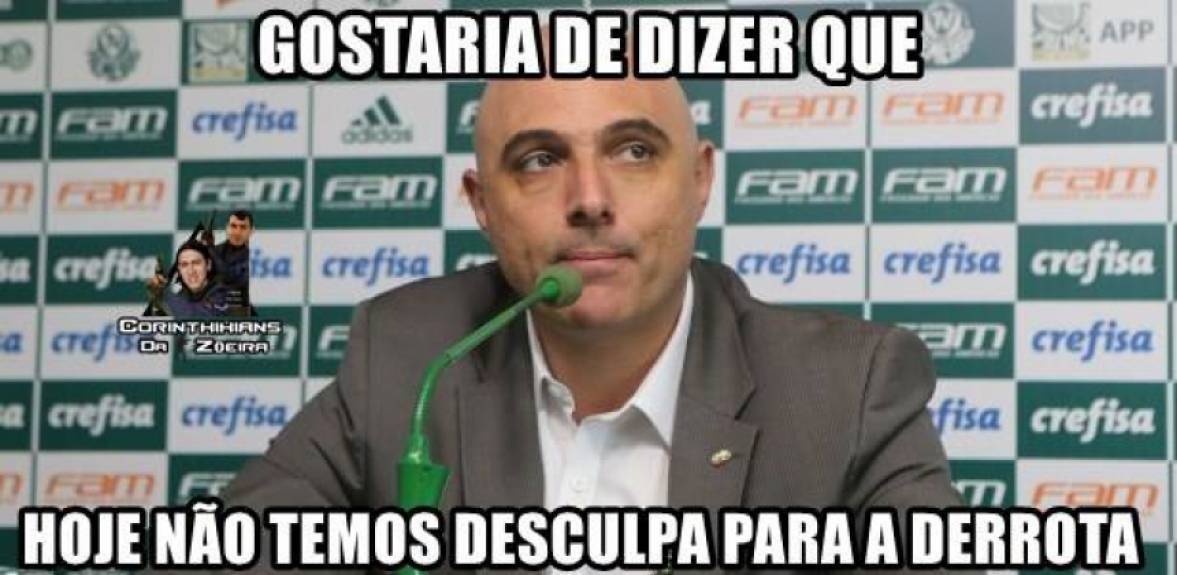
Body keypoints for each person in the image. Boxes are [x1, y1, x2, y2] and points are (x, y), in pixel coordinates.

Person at [221, 54, 963, 573]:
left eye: (633, 151)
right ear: (482, 205)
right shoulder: (411, 353)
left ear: (698, 180)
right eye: (539, 160)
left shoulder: (846, 391)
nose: (590, 199)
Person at [147, 240, 230, 319]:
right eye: (184, 265)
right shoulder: (181, 296)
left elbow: (197, 320)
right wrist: (157, 302)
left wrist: (163, 294)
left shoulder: (224, 295)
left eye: (196, 263)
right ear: (179, 270)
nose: (191, 271)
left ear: (208, 265)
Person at [202, 209, 253, 316]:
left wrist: (209, 249)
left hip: (237, 315)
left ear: (251, 231)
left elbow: (229, 278)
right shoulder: (214, 251)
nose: (237, 232)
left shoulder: (253, 256)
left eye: (243, 227)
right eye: (233, 226)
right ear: (227, 227)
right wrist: (201, 251)